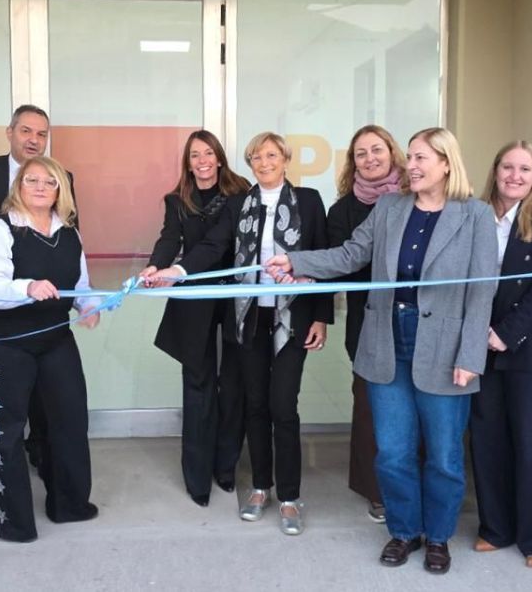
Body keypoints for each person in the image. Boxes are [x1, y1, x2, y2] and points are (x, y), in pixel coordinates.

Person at [265, 127, 496, 572]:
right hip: (387, 341)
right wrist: (297, 262)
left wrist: (471, 356)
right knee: (392, 452)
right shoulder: (390, 207)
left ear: (447, 162)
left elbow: (482, 292)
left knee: (446, 455)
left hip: (446, 349)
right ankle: (405, 531)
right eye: (409, 156)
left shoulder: (475, 216)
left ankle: (439, 538)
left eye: (422, 157)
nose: (412, 165)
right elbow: (351, 254)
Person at [151, 131, 333, 536]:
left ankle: (289, 496)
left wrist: (321, 317)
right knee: (254, 405)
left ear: (285, 158)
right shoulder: (239, 203)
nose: (264, 163)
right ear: (249, 163)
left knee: (283, 407)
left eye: (271, 155)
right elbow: (214, 247)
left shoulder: (309, 201)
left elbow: (322, 258)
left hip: (292, 321)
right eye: (256, 157)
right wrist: (176, 271)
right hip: (249, 320)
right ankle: (261, 487)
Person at [0, 156, 103, 541]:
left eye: (50, 181)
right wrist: (25, 287)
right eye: (32, 180)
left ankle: (70, 505)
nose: (41, 187)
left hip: (55, 336)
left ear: (60, 189)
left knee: (70, 418)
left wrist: (89, 306)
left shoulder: (69, 232)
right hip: (4, 341)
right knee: (8, 431)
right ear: (19, 186)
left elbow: (80, 285)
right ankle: (15, 523)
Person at [470, 141, 532, 568]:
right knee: (488, 441)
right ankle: (497, 528)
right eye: (508, 167)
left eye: (525, 169)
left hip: (531, 348)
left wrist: (507, 334)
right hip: (478, 346)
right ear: (495, 171)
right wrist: (478, 334)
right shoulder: (473, 215)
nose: (515, 175)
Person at [0, 104, 79, 488]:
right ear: (10, 131)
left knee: (50, 404)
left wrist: (87, 300)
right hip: (0, 316)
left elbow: (69, 250)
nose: (34, 139)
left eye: (42, 133)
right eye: (26, 131)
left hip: (49, 325)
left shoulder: (63, 183)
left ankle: (42, 454)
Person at [139, 130, 250, 507]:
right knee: (198, 385)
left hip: (234, 297)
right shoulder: (177, 199)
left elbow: (219, 242)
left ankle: (225, 467)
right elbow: (170, 238)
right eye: (194, 155)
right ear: (188, 162)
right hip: (194, 301)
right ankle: (197, 477)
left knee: (233, 385)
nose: (202, 160)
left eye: (208, 153)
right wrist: (156, 265)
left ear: (219, 157)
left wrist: (179, 270)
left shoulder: (241, 193)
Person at [326, 124, 406, 523]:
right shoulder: (341, 211)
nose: (370, 158)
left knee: (411, 409)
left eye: (377, 150)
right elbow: (342, 268)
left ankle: (411, 487)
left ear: (393, 153)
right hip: (366, 323)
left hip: (414, 323)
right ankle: (377, 492)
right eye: (361, 153)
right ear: (352, 162)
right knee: (371, 409)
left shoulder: (416, 200)